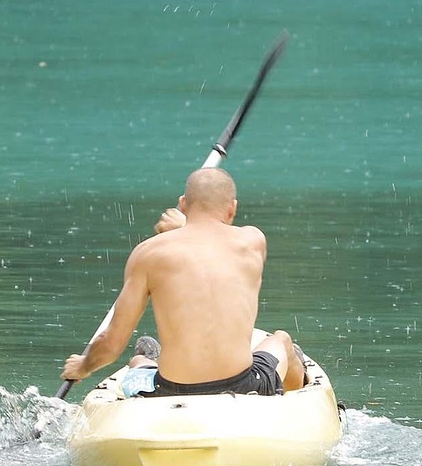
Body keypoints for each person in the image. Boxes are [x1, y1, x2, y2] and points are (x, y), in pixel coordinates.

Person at [62, 167, 306, 397]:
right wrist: (183, 227)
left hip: (169, 391)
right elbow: (211, 248)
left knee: (137, 363)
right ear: (232, 208)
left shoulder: (148, 253)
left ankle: (148, 361)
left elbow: (112, 345)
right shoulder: (253, 241)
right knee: (281, 340)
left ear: (183, 204)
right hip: (244, 386)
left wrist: (82, 366)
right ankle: (299, 399)